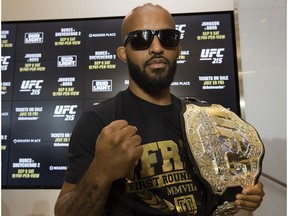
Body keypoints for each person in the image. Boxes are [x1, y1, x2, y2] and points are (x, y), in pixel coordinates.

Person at [54, 3, 265, 216]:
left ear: (178, 49)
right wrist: (100, 172)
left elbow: (223, 195)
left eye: (168, 37)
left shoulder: (205, 120)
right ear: (123, 53)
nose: (156, 48)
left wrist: (244, 197)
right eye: (140, 39)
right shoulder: (99, 121)